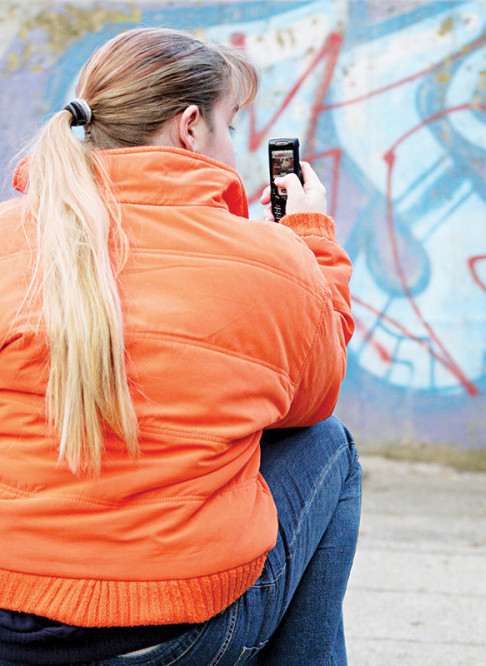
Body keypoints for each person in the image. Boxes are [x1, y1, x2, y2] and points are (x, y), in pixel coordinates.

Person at [0, 28, 359, 665]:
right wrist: (311, 242)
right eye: (231, 126)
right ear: (190, 128)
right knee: (326, 444)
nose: (233, 148)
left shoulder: (8, 235)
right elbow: (313, 401)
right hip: (172, 637)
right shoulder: (273, 259)